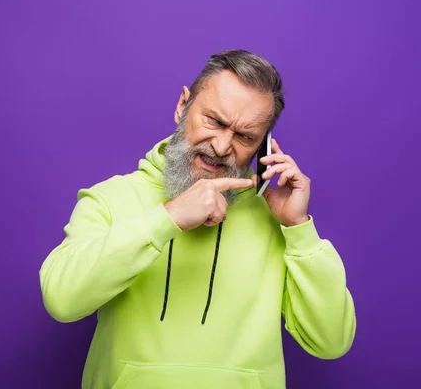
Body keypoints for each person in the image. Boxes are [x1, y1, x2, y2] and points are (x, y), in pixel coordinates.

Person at [39, 49, 356, 389]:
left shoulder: (276, 220)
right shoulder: (110, 198)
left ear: (263, 146)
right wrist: (169, 217)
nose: (221, 146)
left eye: (245, 136)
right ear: (182, 106)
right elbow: (61, 301)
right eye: (215, 122)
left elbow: (331, 342)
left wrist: (298, 228)